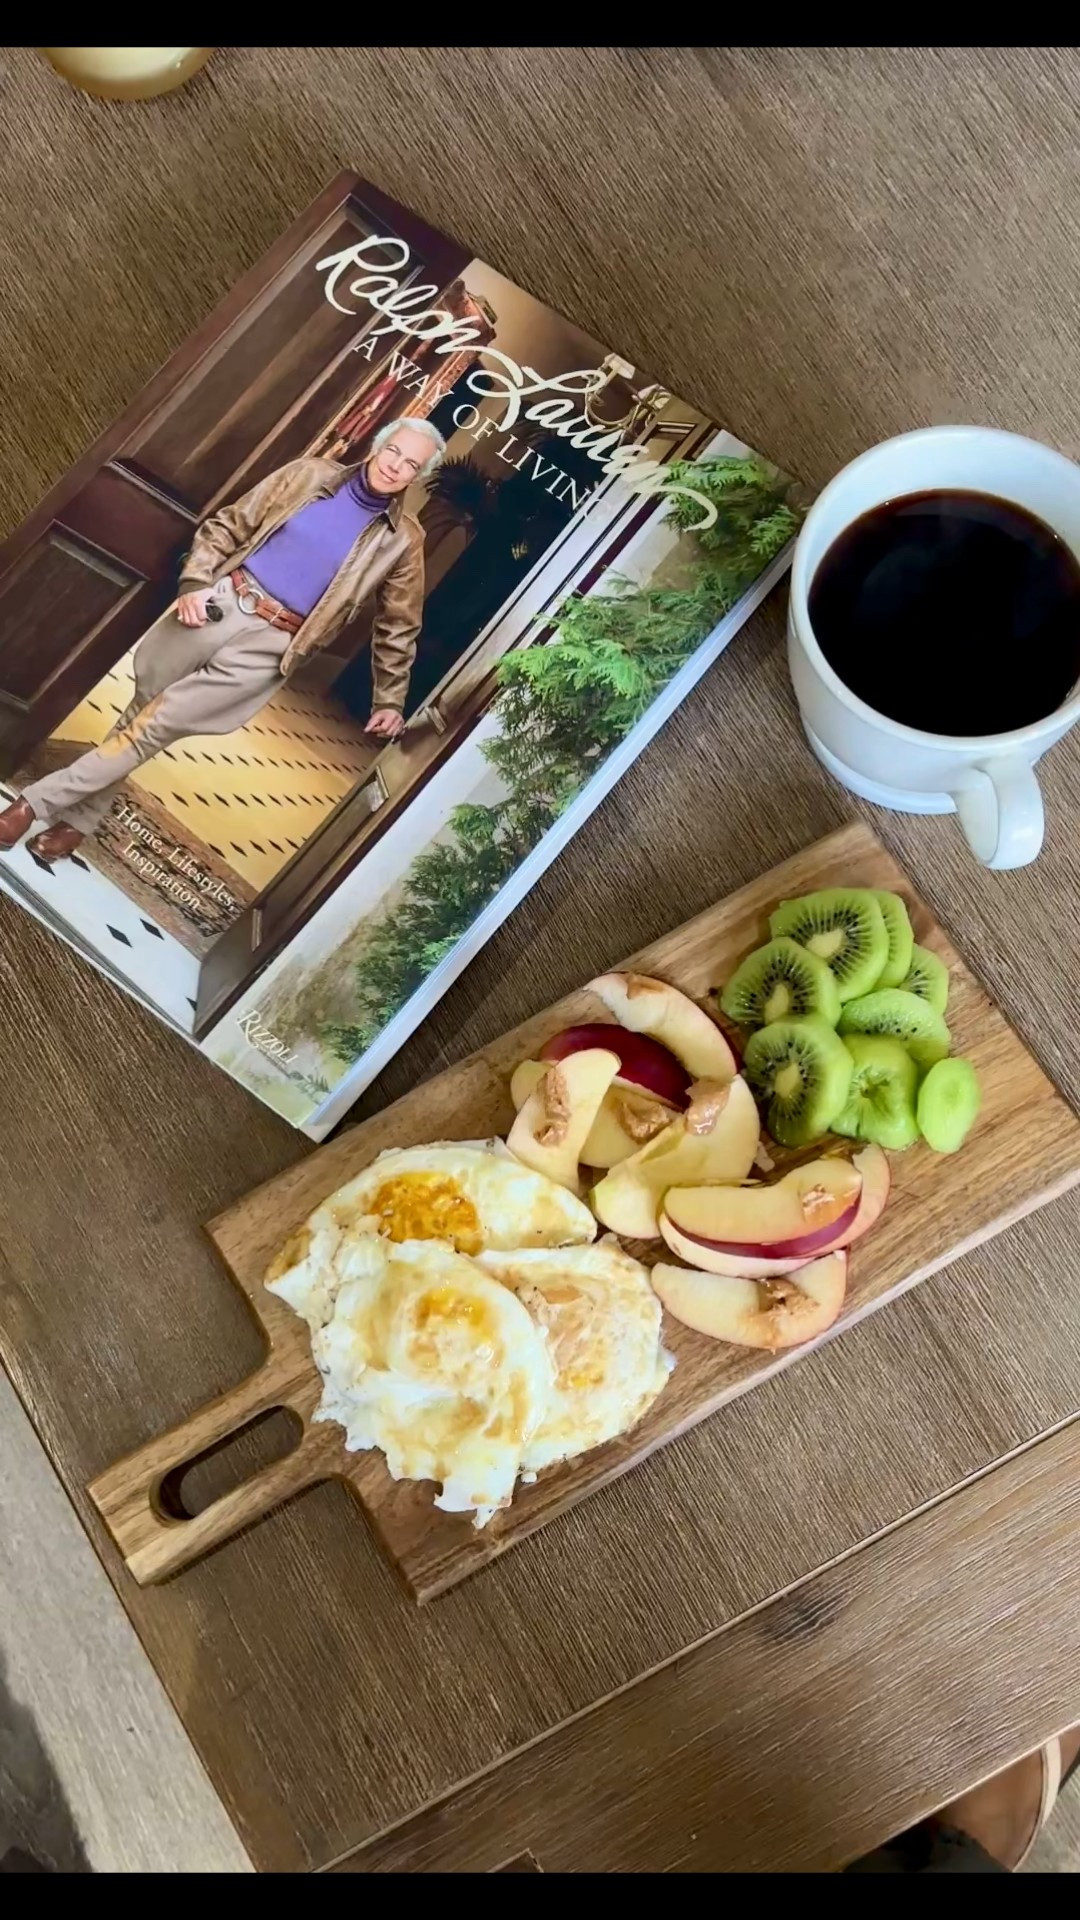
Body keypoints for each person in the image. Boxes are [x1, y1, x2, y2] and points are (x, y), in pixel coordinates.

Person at [0, 416, 444, 862]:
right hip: (220, 603)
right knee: (142, 714)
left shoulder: (403, 541)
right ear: (376, 446)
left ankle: (31, 805)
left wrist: (389, 698)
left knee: (153, 727)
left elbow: (398, 624)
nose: (395, 467)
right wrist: (194, 583)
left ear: (416, 477)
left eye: (410, 464)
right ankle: (80, 823)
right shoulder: (309, 474)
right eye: (393, 452)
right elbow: (228, 525)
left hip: (272, 646)